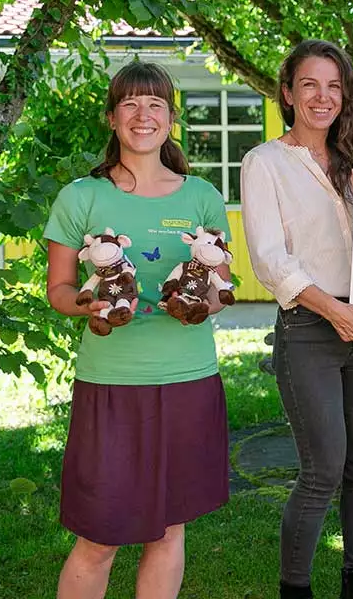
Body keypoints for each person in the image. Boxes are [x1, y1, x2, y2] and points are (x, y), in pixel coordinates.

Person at [45, 61, 232, 599]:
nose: (142, 115)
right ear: (112, 117)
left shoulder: (200, 196)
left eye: (155, 105)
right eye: (130, 103)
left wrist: (202, 304)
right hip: (111, 381)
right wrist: (89, 306)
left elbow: (221, 283)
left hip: (189, 379)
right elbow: (59, 290)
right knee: (99, 536)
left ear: (171, 119)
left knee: (170, 530)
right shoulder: (81, 196)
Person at [240, 40, 353, 599]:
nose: (322, 97)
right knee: (324, 467)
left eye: (333, 86)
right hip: (310, 328)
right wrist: (335, 311)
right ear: (288, 92)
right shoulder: (264, 163)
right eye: (309, 85)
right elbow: (269, 259)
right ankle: (295, 589)